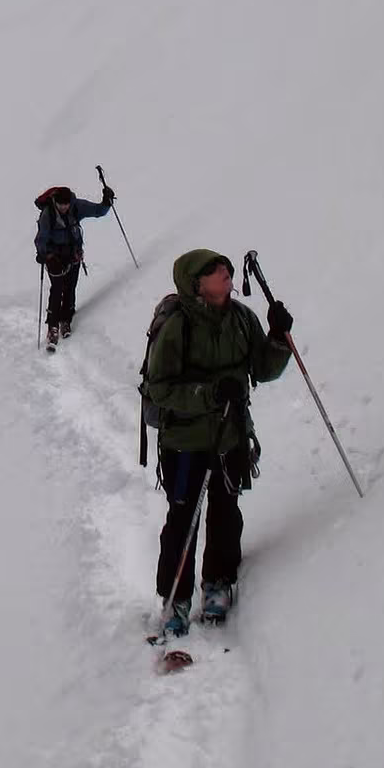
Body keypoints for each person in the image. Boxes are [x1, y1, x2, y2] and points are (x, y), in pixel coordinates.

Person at [142, 249, 294, 636]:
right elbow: (159, 389)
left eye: (225, 267)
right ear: (196, 284)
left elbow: (263, 368)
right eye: (213, 270)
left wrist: (278, 338)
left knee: (226, 512)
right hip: (184, 441)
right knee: (183, 520)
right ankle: (175, 599)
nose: (225, 272)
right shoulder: (177, 326)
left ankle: (218, 583)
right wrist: (209, 394)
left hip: (231, 434)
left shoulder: (241, 318)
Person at [32, 183, 114, 349]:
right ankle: (53, 326)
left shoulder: (77, 206)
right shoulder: (48, 214)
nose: (64, 207)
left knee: (70, 288)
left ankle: (66, 320)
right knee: (57, 289)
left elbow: (98, 211)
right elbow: (41, 238)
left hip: (73, 255)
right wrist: (44, 255)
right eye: (60, 204)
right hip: (54, 258)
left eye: (66, 204)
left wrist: (107, 201)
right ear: (55, 202)